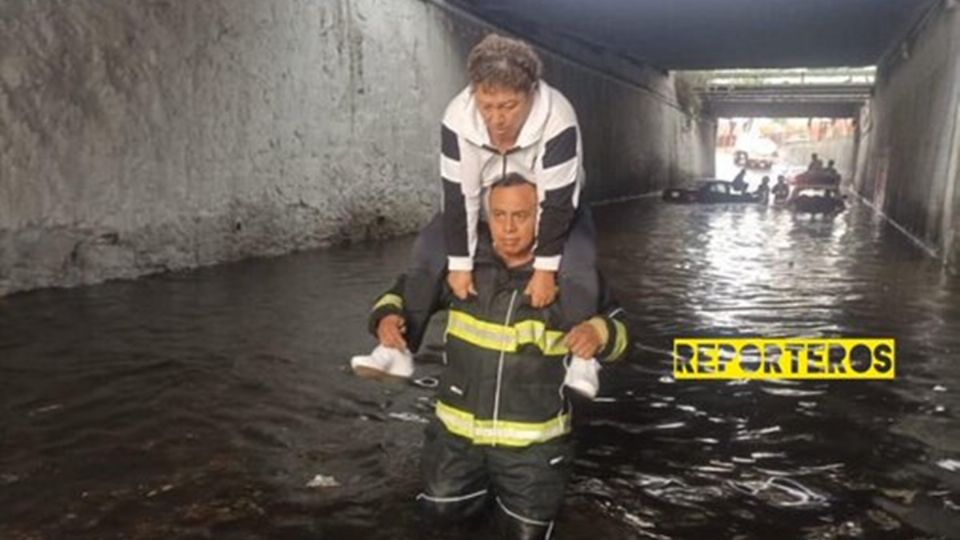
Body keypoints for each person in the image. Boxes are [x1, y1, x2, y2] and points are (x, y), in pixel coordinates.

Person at [365, 175, 630, 539]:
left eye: (520, 216)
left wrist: (599, 333)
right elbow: (402, 292)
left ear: (541, 219)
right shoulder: (461, 268)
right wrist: (387, 319)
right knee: (442, 519)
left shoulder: (569, 277)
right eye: (500, 215)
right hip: (455, 444)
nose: (507, 228)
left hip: (533, 454)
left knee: (526, 533)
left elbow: (625, 333)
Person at [351, 34, 601, 395]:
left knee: (578, 262)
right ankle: (398, 351)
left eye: (509, 106)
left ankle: (583, 360)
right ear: (475, 95)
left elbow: (558, 202)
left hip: (549, 205)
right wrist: (459, 264)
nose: (496, 119)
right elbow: (457, 198)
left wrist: (546, 269)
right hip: (486, 205)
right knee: (426, 253)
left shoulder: (558, 115)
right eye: (488, 106)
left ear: (531, 92)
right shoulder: (457, 116)